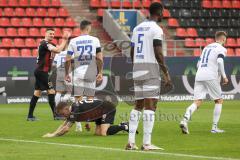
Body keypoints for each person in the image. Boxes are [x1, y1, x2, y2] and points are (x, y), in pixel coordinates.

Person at [126, 2, 172, 151]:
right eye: (163, 12)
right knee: (151, 106)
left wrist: (136, 66)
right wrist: (166, 73)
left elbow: (132, 52)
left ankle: (131, 142)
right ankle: (146, 143)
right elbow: (158, 51)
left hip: (137, 67)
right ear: (160, 12)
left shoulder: (137, 28)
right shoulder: (156, 29)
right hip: (150, 67)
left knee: (138, 105)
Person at [180, 31, 228, 134]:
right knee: (219, 100)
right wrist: (224, 76)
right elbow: (220, 61)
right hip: (210, 75)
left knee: (197, 101)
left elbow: (198, 64)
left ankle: (184, 120)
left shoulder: (206, 47)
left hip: (199, 74)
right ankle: (214, 128)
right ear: (223, 39)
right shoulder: (221, 48)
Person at [65, 20, 104, 131]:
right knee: (90, 99)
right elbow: (99, 58)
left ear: (80, 28)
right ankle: (88, 120)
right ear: (88, 28)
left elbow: (68, 59)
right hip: (90, 71)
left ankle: (78, 124)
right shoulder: (95, 40)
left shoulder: (73, 41)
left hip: (77, 72)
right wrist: (100, 72)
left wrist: (67, 73)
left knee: (78, 99)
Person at [27, 28, 70, 121]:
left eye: (53, 34)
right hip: (41, 71)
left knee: (37, 93)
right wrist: (65, 40)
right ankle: (56, 115)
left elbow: (58, 50)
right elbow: (58, 50)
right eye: (50, 34)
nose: (52, 35)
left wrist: (64, 43)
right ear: (45, 34)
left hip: (41, 71)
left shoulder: (50, 44)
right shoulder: (45, 43)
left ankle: (30, 116)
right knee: (51, 91)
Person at [42, 100, 129, 137]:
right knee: (98, 133)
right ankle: (122, 125)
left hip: (107, 108)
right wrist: (52, 133)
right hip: (99, 113)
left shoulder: (75, 110)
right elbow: (63, 124)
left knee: (103, 133)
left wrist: (53, 136)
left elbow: (66, 129)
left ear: (66, 108)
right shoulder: (72, 110)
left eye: (63, 113)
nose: (63, 116)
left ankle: (124, 126)